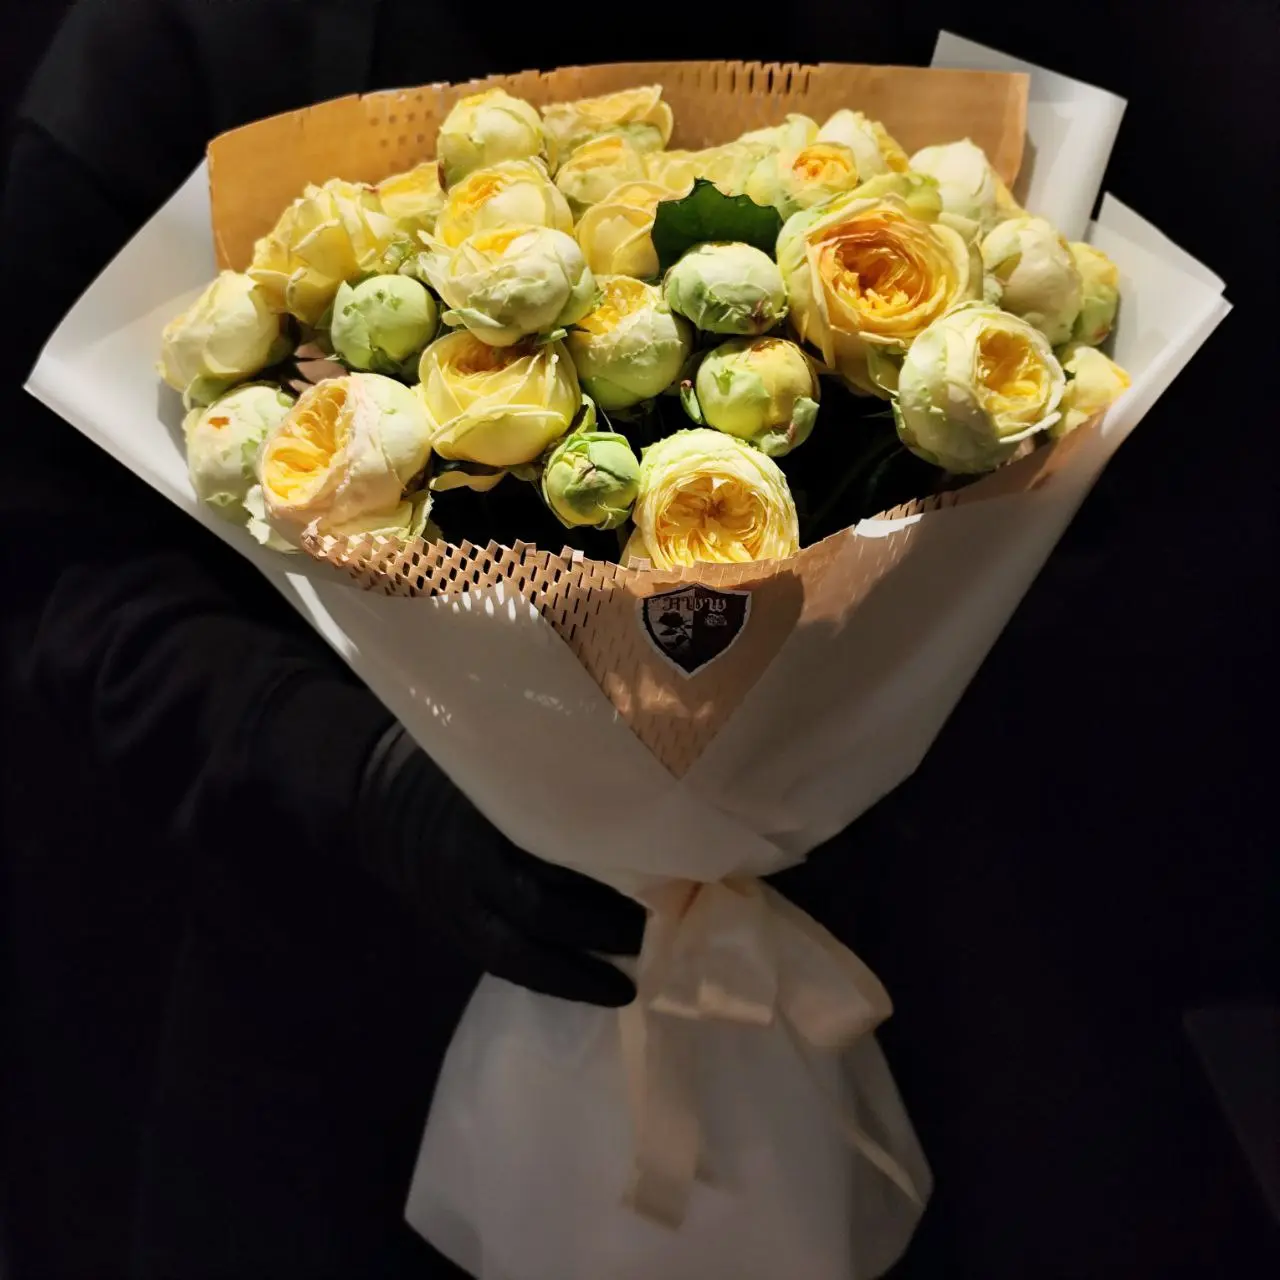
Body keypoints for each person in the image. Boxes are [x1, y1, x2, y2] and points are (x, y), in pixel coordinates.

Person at [3, 3, 1275, 1279]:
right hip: (354, 1000)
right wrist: (358, 778)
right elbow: (51, 543)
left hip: (949, 972)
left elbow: (1191, 482)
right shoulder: (199, 33)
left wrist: (869, 721)